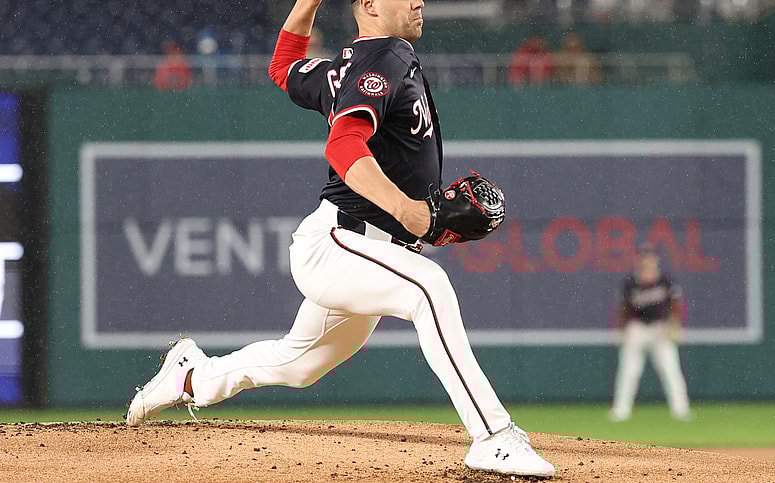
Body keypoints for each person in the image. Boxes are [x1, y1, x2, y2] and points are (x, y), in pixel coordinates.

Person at [126, 0, 555, 478]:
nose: (418, 1)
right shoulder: (384, 55)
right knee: (428, 288)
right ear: (369, 6)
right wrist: (408, 210)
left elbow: (283, 65)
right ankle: (492, 437)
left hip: (367, 250)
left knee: (298, 364)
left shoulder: (346, 70)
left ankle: (190, 375)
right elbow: (343, 142)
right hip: (337, 242)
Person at [609, 243, 691, 422]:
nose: (647, 261)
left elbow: (676, 304)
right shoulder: (631, 282)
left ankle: (681, 409)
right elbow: (623, 309)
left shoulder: (665, 280)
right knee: (629, 371)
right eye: (644, 258)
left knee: (670, 369)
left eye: (650, 258)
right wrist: (621, 331)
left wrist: (674, 325)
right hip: (637, 328)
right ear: (639, 261)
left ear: (656, 260)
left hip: (660, 328)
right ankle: (621, 410)